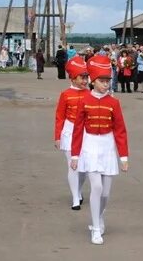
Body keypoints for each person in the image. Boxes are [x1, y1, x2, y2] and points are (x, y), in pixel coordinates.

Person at [70, 55, 129, 245]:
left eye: (107, 81)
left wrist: (124, 156)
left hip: (108, 146)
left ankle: (100, 215)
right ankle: (95, 228)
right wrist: (75, 154)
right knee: (96, 187)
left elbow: (120, 129)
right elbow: (78, 129)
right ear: (93, 82)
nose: (105, 85)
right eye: (102, 81)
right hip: (89, 145)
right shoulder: (84, 100)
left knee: (105, 193)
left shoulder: (114, 102)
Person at [54, 56, 89, 210]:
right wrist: (57, 136)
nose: (85, 81)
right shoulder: (66, 94)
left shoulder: (90, 94)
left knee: (85, 168)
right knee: (73, 165)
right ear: (73, 78)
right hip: (69, 130)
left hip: (87, 132)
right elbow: (59, 116)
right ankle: (75, 197)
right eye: (82, 78)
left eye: (86, 77)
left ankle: (79, 190)